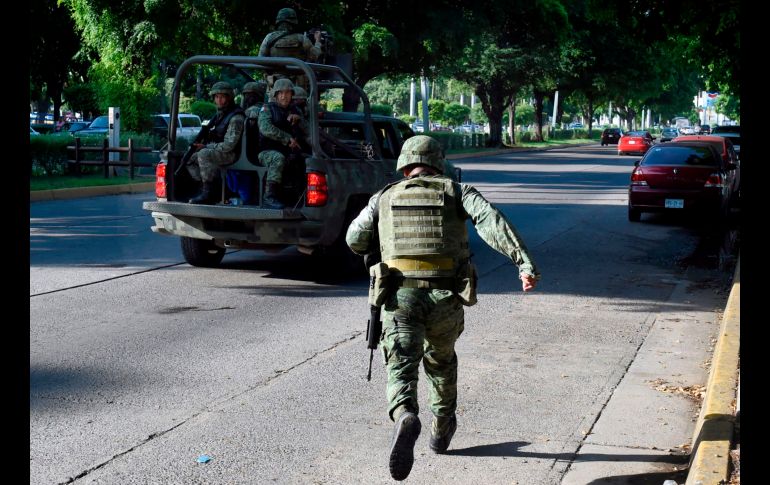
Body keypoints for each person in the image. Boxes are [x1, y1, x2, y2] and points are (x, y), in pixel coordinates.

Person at [345, 135, 540, 481]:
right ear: (439, 163)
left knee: (401, 365)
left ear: (405, 165)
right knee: (441, 361)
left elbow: (354, 239)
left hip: (400, 296)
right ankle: (440, 428)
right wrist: (523, 264)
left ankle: (406, 413)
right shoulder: (458, 191)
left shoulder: (383, 197)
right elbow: (492, 222)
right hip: (446, 298)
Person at [186, 81, 245, 204]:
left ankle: (208, 194)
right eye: (217, 97)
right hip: (220, 150)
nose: (219, 100)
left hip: (232, 153)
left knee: (204, 154)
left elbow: (229, 145)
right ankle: (209, 189)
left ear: (229, 97)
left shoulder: (236, 117)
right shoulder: (220, 115)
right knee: (190, 159)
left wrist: (206, 146)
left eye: (222, 97)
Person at [257, 78, 310, 209]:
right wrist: (286, 139)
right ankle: (269, 197)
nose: (284, 96)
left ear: (292, 94)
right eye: (280, 93)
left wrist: (299, 120)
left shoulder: (296, 110)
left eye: (287, 93)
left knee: (309, 161)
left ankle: (299, 197)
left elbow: (309, 131)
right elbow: (265, 128)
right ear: (275, 95)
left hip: (290, 151)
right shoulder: (267, 108)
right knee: (277, 158)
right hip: (267, 152)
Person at [258, 7, 323, 91]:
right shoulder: (301, 38)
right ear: (294, 22)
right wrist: (318, 42)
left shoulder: (269, 37)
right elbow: (314, 55)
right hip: (297, 87)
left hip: (276, 86)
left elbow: (260, 60)